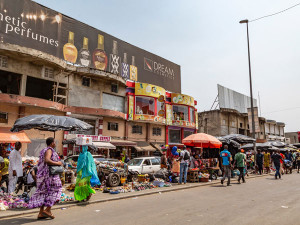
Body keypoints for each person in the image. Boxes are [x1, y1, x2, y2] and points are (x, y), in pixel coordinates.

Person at [28, 137, 63, 220]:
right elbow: (47, 160)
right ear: (51, 143)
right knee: (56, 190)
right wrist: (58, 163)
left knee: (45, 193)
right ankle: (47, 210)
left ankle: (41, 213)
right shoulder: (49, 150)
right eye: (54, 142)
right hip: (50, 176)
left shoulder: (44, 150)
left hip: (44, 175)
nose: (55, 144)